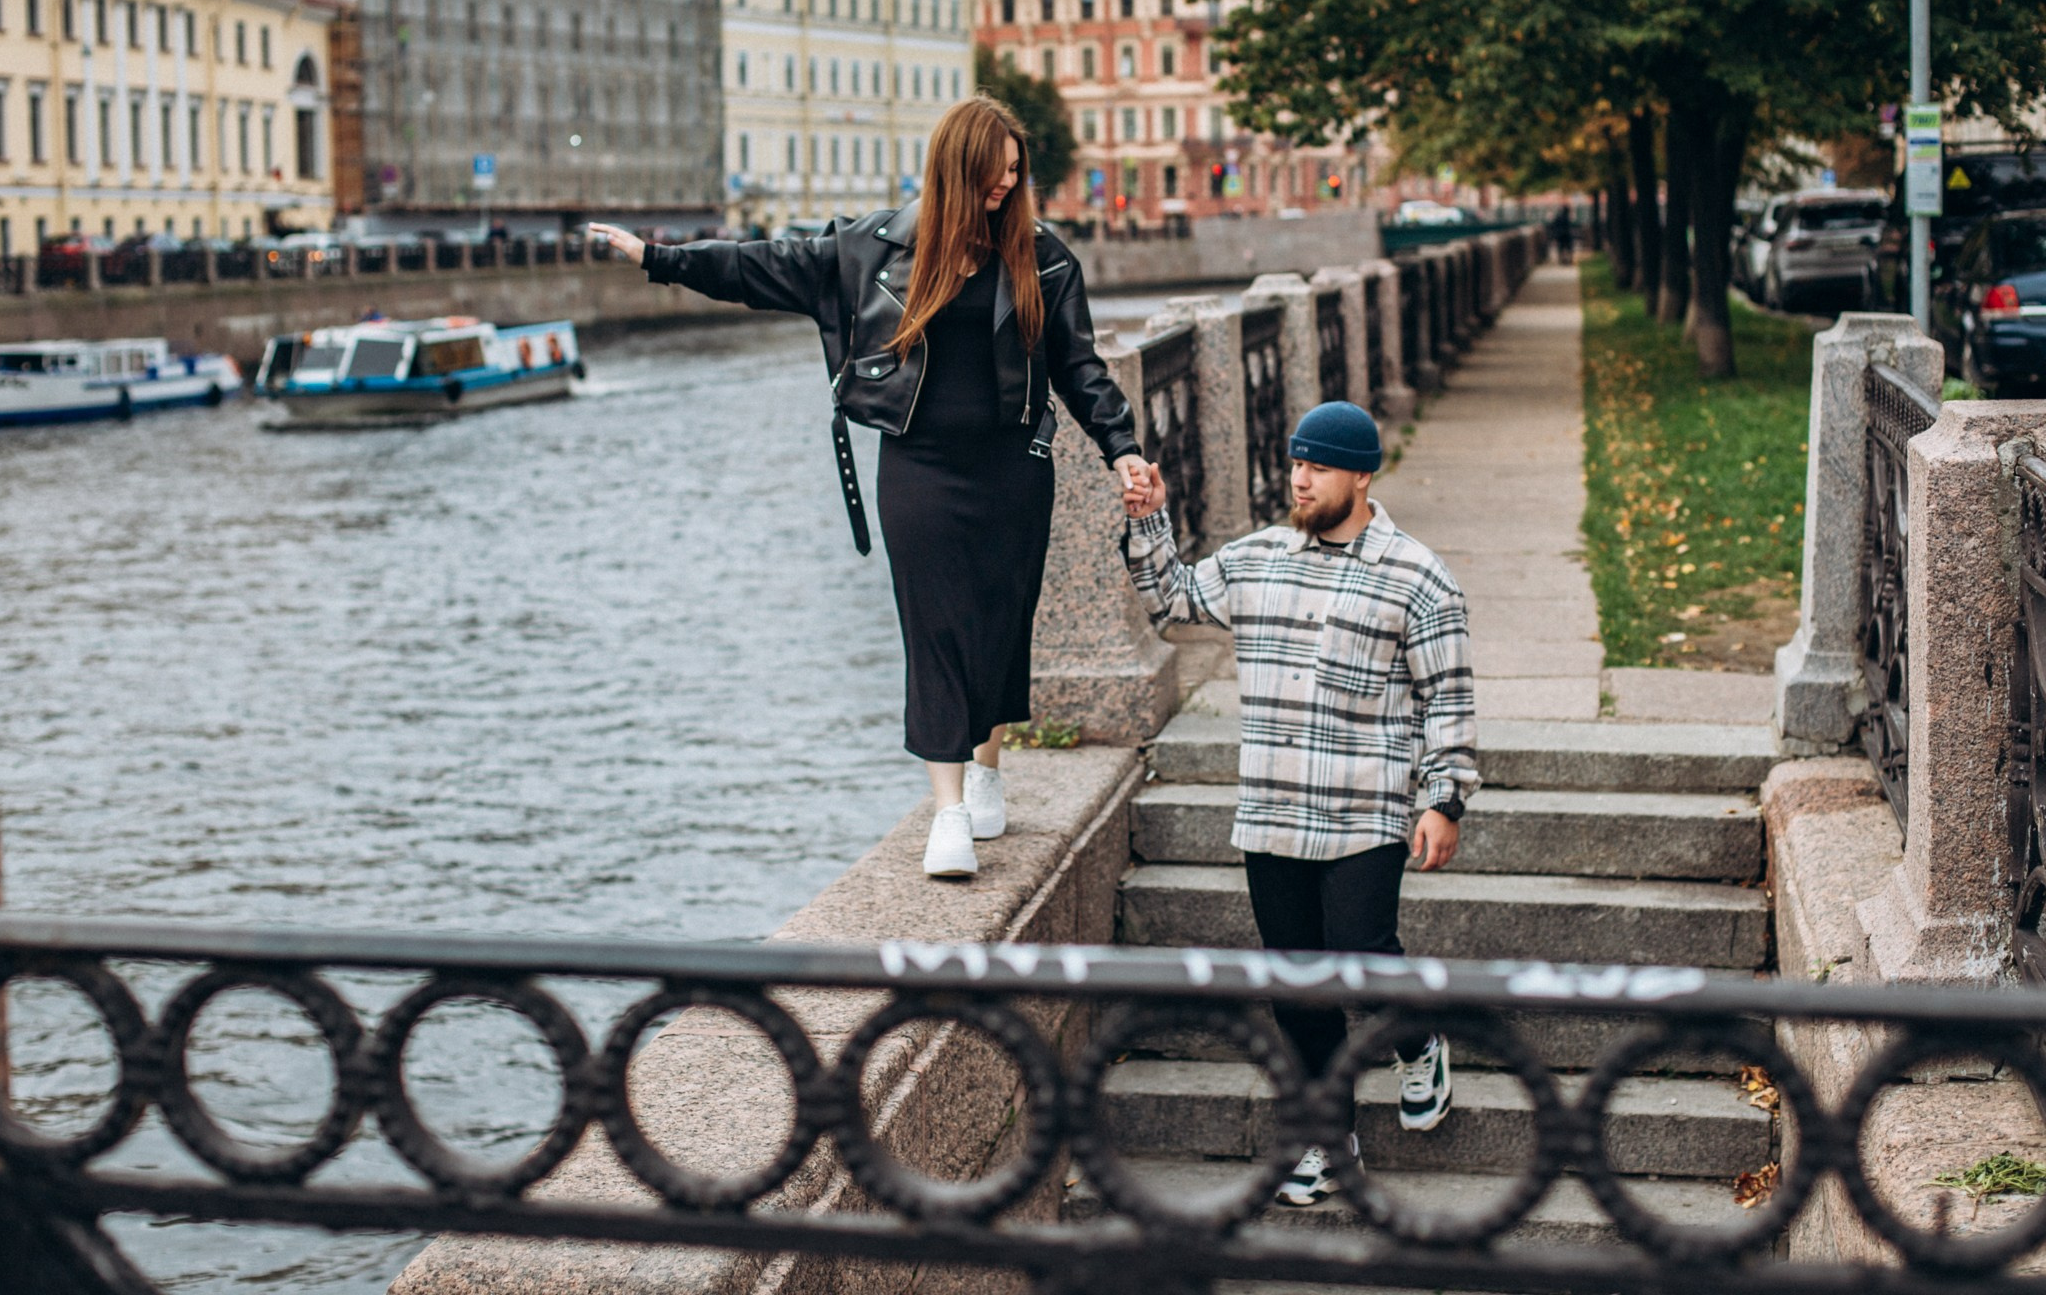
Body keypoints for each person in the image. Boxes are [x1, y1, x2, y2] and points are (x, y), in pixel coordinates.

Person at [596, 97, 1145, 880]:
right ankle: (948, 810)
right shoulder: (872, 249)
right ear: (957, 169)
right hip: (920, 469)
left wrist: (1120, 448)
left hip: (1014, 466)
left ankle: (987, 770)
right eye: (996, 175)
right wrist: (658, 259)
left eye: (1017, 176)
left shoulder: (1042, 256)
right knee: (935, 629)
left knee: (997, 623)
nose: (1008, 188)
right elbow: (762, 267)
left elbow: (1078, 366)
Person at [1120, 400, 1477, 1205]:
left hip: (1365, 809)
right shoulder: (1260, 559)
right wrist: (1151, 521)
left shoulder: (1418, 576)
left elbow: (1448, 700)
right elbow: (1173, 603)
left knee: (1359, 952)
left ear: (1362, 473)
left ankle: (1418, 1044)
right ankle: (1326, 1138)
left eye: (1316, 466)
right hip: (1274, 811)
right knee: (1298, 987)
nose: (1300, 479)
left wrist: (1444, 797)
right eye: (1294, 464)